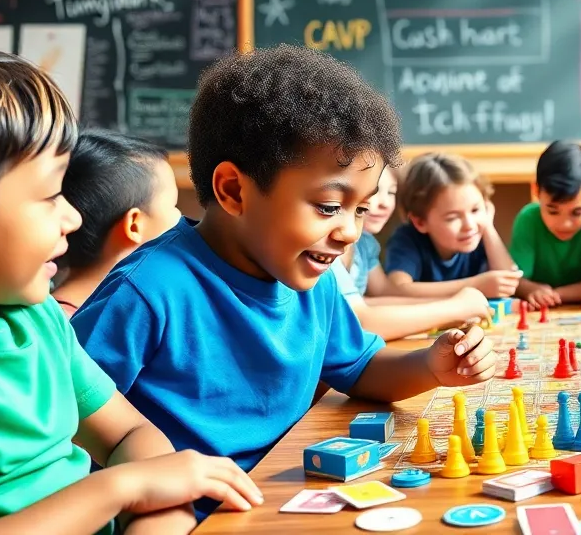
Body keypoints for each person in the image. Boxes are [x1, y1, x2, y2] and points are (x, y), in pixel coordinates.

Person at [72, 46, 496, 521]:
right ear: (234, 191)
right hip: (178, 512)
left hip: (274, 499)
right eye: (329, 207)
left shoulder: (315, 280)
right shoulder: (148, 290)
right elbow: (65, 410)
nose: (350, 231)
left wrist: (430, 365)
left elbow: (361, 367)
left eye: (360, 209)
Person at [0, 28, 259, 535]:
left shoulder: (33, 318)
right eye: (48, 198)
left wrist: (158, 502)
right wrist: (121, 489)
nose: (71, 218)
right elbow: (129, 478)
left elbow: (129, 432)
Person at [338, 167, 492, 341]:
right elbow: (358, 321)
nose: (385, 203)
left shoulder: (365, 242)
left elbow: (379, 295)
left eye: (391, 193)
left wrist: (453, 307)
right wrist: (453, 308)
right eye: (374, 192)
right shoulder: (326, 250)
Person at [51, 129, 182, 316]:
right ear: (134, 225)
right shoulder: (71, 331)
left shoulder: (52, 317)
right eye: (173, 205)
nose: (181, 217)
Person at [382, 152, 522, 299]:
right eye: (453, 218)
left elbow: (509, 283)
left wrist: (488, 226)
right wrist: (475, 285)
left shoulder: (477, 235)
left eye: (475, 210)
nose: (469, 225)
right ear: (420, 222)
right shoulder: (406, 239)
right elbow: (397, 289)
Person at [509, 141, 581, 309]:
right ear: (536, 191)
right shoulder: (527, 220)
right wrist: (530, 289)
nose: (565, 224)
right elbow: (515, 279)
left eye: (577, 212)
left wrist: (553, 295)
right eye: (553, 211)